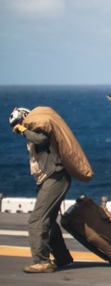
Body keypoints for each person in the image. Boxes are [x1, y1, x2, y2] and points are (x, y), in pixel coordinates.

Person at [9, 107, 75, 274]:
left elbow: (41, 140)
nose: (16, 128)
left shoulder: (39, 133)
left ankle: (41, 261)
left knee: (36, 221)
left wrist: (23, 129)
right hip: (52, 178)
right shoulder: (33, 135)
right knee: (48, 221)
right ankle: (62, 257)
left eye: (17, 124)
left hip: (56, 177)